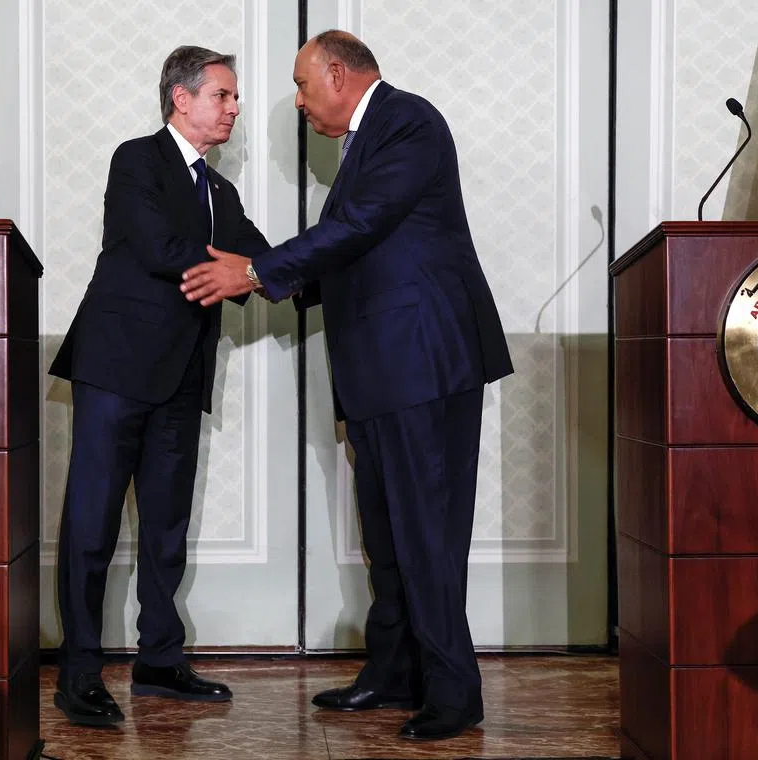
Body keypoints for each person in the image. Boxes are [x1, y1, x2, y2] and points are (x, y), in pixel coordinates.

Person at [180, 30, 513, 741]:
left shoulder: (407, 121)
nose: (298, 103)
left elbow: (362, 226)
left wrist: (257, 273)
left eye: (302, 86)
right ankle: (394, 673)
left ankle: (455, 693)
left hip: (423, 362)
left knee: (426, 532)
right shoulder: (364, 144)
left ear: (337, 73)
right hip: (381, 372)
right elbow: (354, 252)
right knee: (388, 535)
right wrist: (261, 270)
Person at [48, 45, 269, 727]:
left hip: (180, 378)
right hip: (115, 368)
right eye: (223, 96)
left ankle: (160, 660)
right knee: (92, 526)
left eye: (233, 99)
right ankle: (80, 671)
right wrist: (241, 271)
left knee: (167, 527)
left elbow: (263, 257)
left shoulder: (220, 193)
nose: (234, 109)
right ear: (182, 98)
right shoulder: (136, 160)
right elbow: (156, 248)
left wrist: (327, 272)